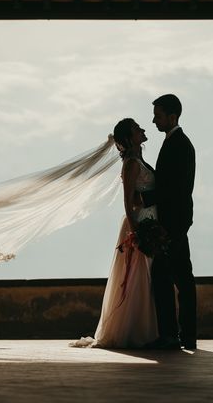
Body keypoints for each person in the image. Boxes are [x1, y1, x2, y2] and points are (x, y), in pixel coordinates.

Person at [69, 118, 159, 348]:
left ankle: (149, 329)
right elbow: (128, 202)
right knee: (137, 276)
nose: (143, 130)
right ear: (129, 138)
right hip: (139, 223)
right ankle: (136, 330)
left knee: (147, 277)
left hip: (148, 220)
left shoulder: (138, 160)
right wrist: (136, 231)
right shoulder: (130, 164)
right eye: (138, 129)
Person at [150, 94, 197, 350]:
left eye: (157, 115)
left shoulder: (179, 144)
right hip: (177, 222)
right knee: (183, 278)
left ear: (172, 116)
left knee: (163, 276)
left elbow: (175, 189)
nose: (154, 120)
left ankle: (170, 334)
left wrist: (168, 228)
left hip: (173, 224)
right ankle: (186, 335)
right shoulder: (175, 142)